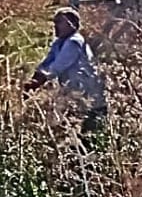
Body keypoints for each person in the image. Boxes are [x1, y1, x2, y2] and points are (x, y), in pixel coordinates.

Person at [25, 7, 108, 137]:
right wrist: (34, 77)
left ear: (72, 24)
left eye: (59, 22)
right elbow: (47, 63)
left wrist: (38, 82)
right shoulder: (59, 43)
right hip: (72, 92)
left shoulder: (74, 42)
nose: (55, 26)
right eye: (54, 22)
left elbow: (56, 67)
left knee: (87, 132)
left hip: (86, 94)